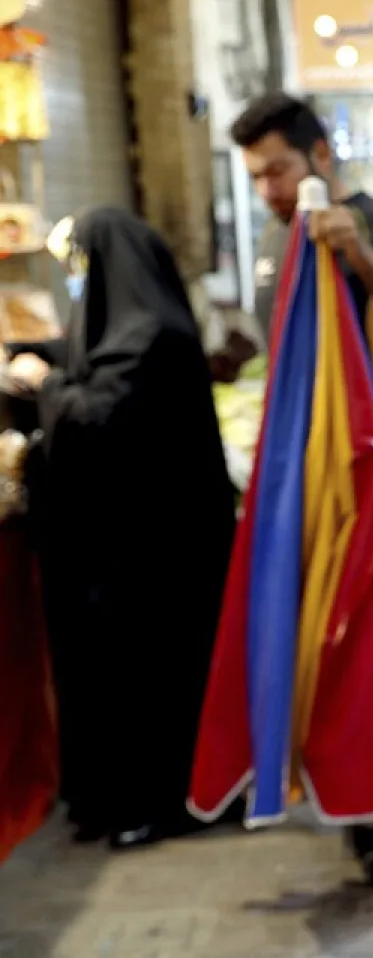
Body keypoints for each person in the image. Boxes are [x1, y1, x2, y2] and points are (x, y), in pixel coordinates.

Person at [230, 92, 373, 886]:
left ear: (321, 155)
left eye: (279, 170)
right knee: (310, 634)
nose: (268, 189)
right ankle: (342, 782)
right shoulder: (272, 234)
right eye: (255, 176)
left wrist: (361, 255)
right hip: (298, 469)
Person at [5, 209, 236, 849]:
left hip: (156, 552)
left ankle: (167, 801)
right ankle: (112, 797)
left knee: (154, 680)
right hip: (118, 548)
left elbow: (101, 410)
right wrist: (28, 354)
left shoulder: (156, 335)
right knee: (110, 677)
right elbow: (85, 363)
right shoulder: (127, 327)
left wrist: (45, 382)